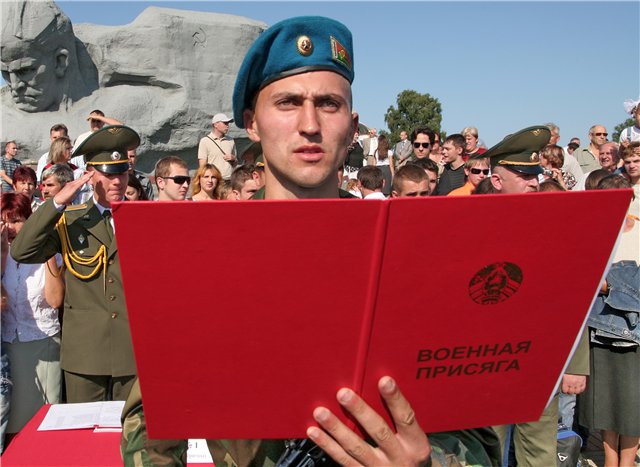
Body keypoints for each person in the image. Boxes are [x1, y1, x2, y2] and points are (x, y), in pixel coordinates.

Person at [121, 16, 502, 467]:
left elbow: (477, 430)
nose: (309, 124)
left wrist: (429, 462)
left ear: (352, 125)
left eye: (328, 104)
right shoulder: (206, 254)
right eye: (287, 102)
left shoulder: (408, 254)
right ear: (253, 123)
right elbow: (151, 423)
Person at [11, 125, 141, 403]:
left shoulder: (144, 221)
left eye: (121, 172)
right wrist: (56, 203)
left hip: (133, 349)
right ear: (90, 175)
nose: (117, 182)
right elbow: (22, 250)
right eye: (108, 174)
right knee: (83, 426)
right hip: (85, 352)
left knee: (132, 428)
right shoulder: (70, 219)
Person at [485, 126, 589, 467]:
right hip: (487, 362)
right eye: (524, 176)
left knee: (540, 454)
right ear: (497, 180)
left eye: (535, 174)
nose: (534, 182)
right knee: (487, 450)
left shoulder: (556, 230)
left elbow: (574, 297)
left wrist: (575, 365)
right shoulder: (475, 228)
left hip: (540, 359)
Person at [579, 174, 639, 467]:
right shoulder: (593, 232)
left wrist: (611, 284)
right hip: (599, 328)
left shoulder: (638, 232)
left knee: (633, 402)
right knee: (604, 401)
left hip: (635, 332)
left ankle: (626, 463)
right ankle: (610, 460)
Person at [1, 192, 64, 437]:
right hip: (8, 347)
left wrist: (46, 251)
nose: (10, 228)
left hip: (43, 344)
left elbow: (55, 300)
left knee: (42, 422)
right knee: (11, 423)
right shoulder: (1, 256)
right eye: (4, 221)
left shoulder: (49, 255)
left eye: (17, 221)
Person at [197, 113, 237, 180]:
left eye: (228, 123)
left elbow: (235, 163)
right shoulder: (205, 141)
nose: (227, 126)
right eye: (225, 123)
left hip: (229, 181)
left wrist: (233, 159)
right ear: (215, 125)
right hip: (214, 181)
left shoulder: (231, 140)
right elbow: (203, 166)